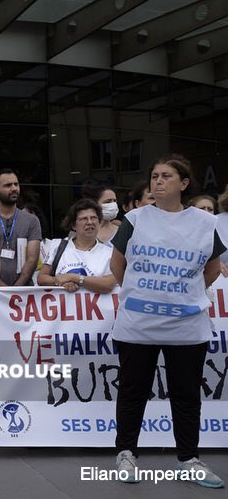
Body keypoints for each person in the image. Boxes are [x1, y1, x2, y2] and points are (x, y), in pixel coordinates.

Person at [110, 155, 224, 488]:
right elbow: (118, 266)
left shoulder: (204, 223)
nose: (158, 181)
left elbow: (213, 268)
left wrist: (183, 296)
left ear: (184, 184)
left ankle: (189, 459)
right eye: (155, 176)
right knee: (133, 391)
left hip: (187, 326)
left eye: (166, 176)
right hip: (137, 324)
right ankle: (126, 453)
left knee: (186, 396)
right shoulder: (135, 219)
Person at [36, 199, 117, 293]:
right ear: (74, 225)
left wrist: (74, 278)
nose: (90, 222)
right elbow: (41, 278)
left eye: (94, 218)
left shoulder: (110, 253)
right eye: (84, 219)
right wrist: (61, 282)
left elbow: (108, 285)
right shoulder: (58, 247)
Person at [0, 169, 41, 286]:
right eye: (8, 185)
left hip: (23, 292)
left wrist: (15, 289)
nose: (14, 188)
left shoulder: (32, 221)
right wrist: (2, 288)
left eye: (16, 184)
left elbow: (32, 259)